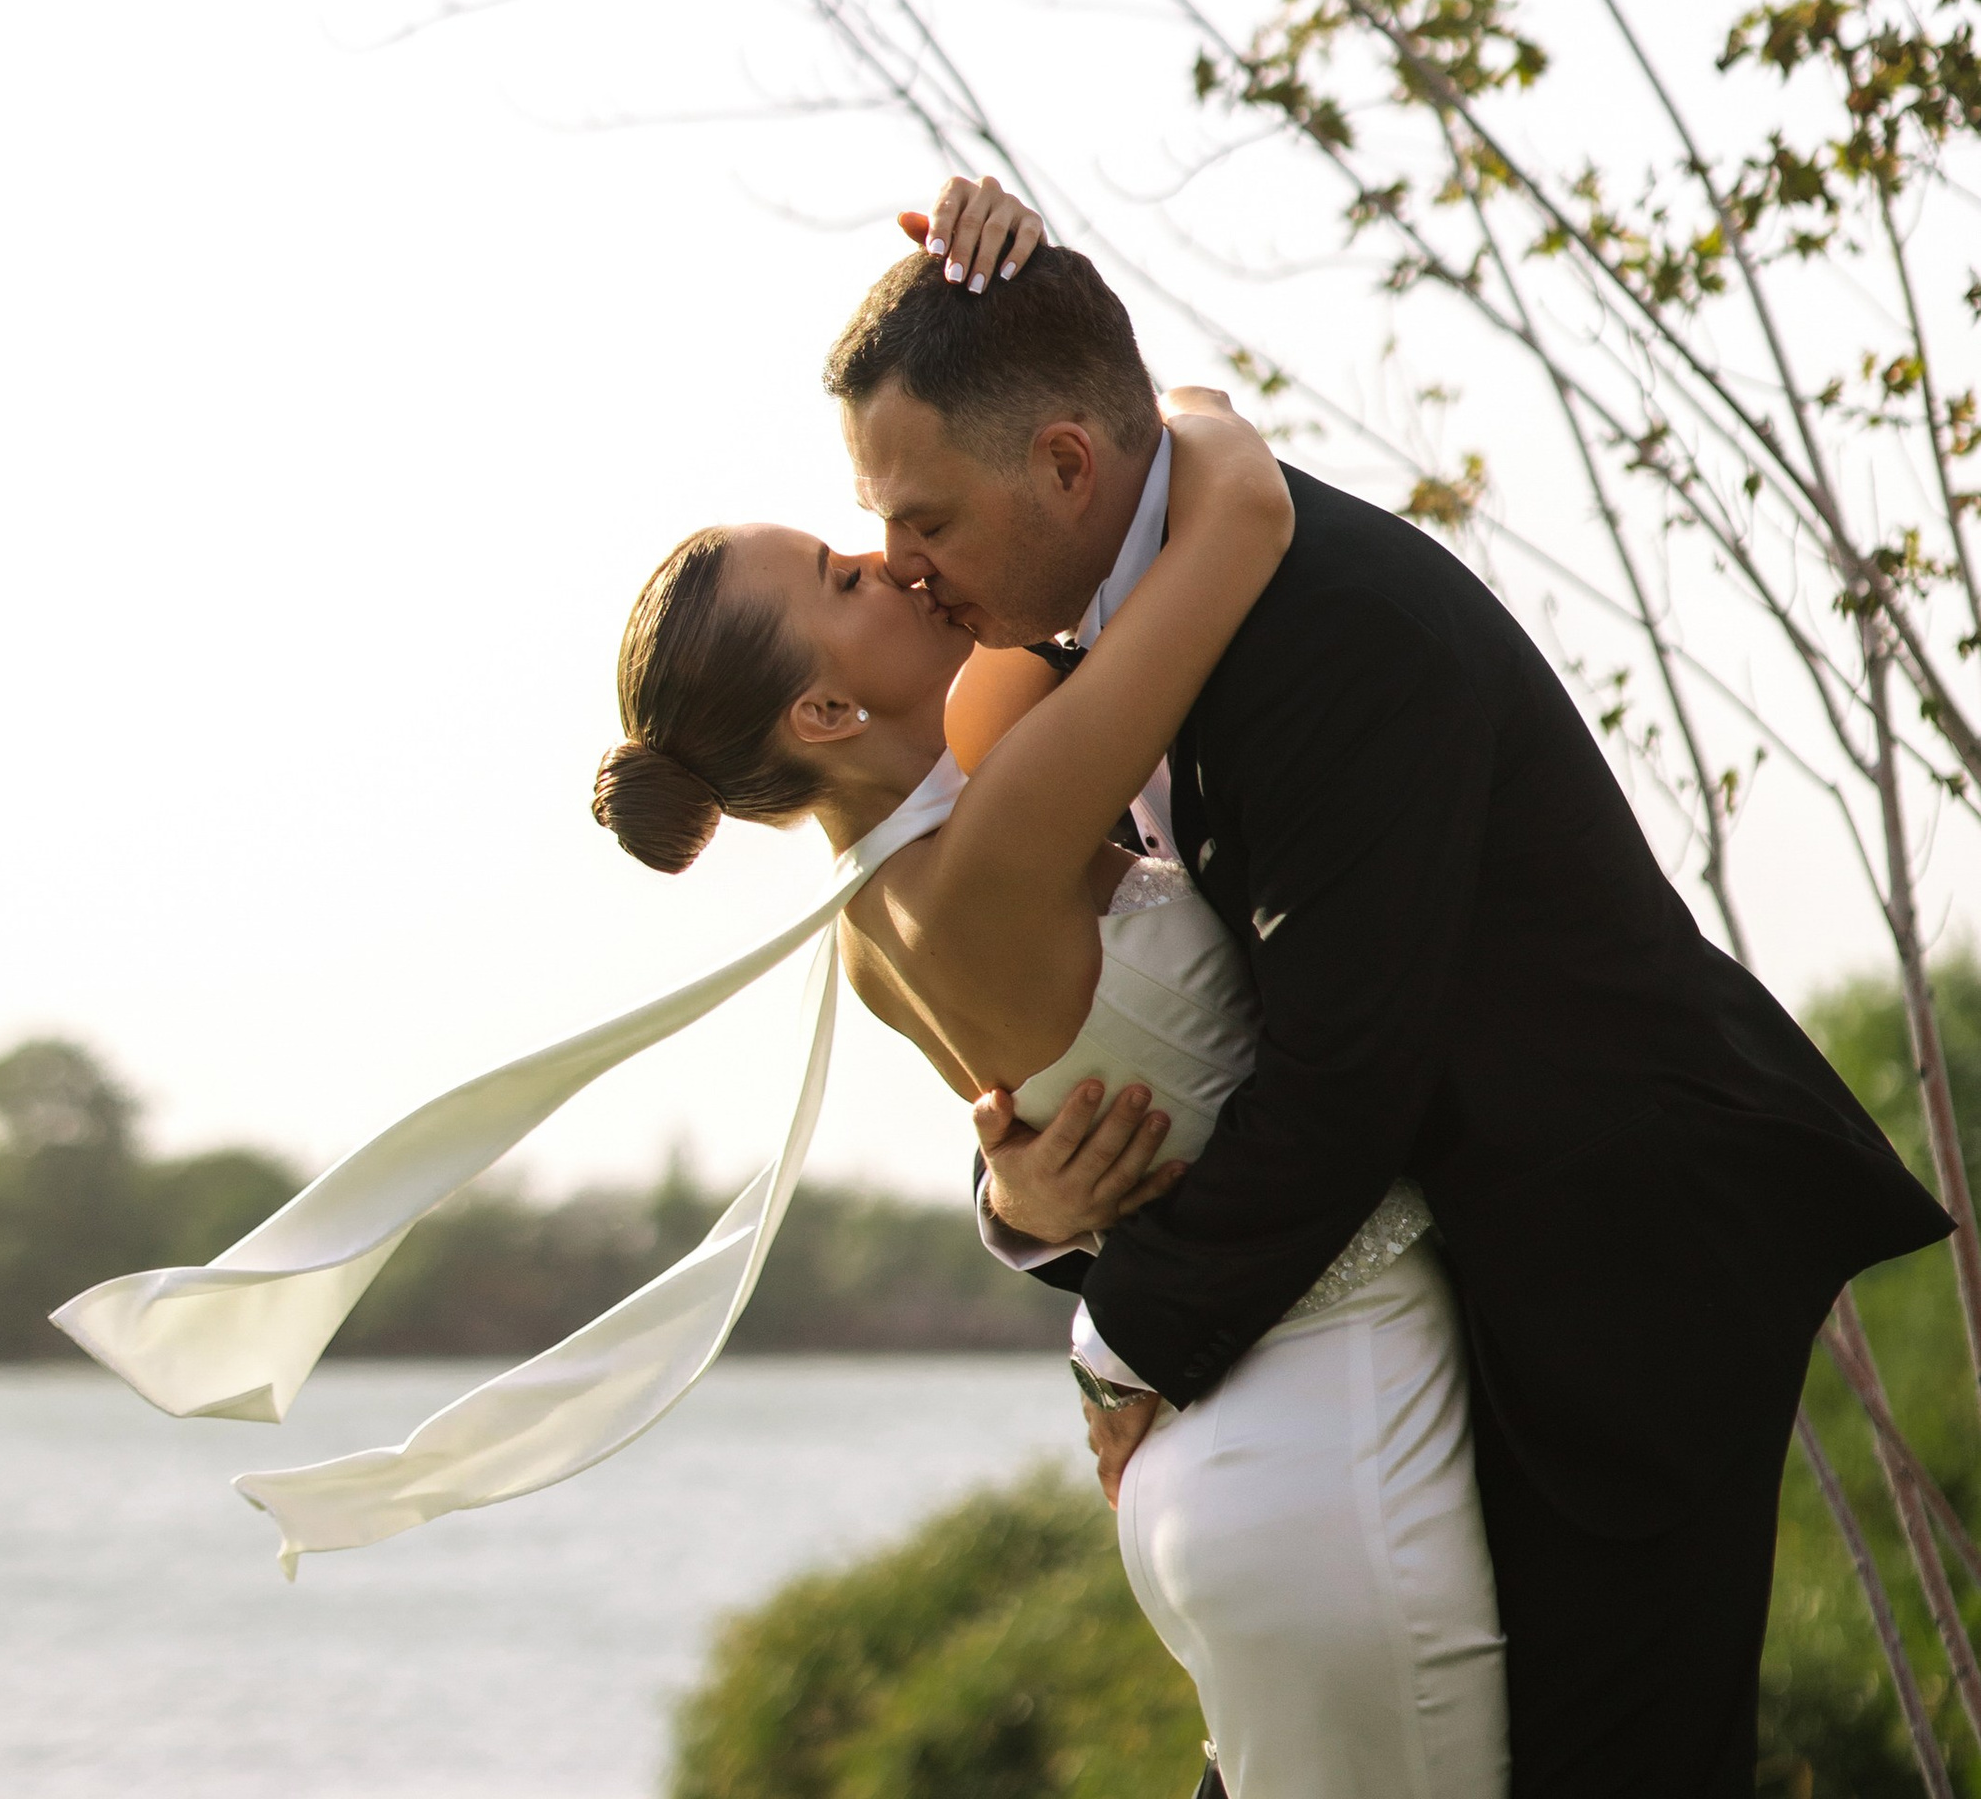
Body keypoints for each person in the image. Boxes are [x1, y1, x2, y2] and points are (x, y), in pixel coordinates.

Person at [833, 174, 1951, 1799]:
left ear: (1067, 465)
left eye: (920, 521)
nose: (904, 565)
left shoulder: (1332, 637)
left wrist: (1127, 1344)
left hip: (1619, 1257)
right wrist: (1024, 1187)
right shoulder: (1108, 624)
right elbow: (1172, 1014)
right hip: (1443, 1256)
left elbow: (1344, 1071)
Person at [597, 392, 1511, 1795]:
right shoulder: (1008, 827)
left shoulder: (872, 926)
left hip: (1198, 1454)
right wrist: (1070, 405)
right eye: (848, 577)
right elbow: (1232, 490)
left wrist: (1013, 1201)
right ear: (828, 709)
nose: (893, 560)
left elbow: (1063, 1156)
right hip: (1337, 1423)